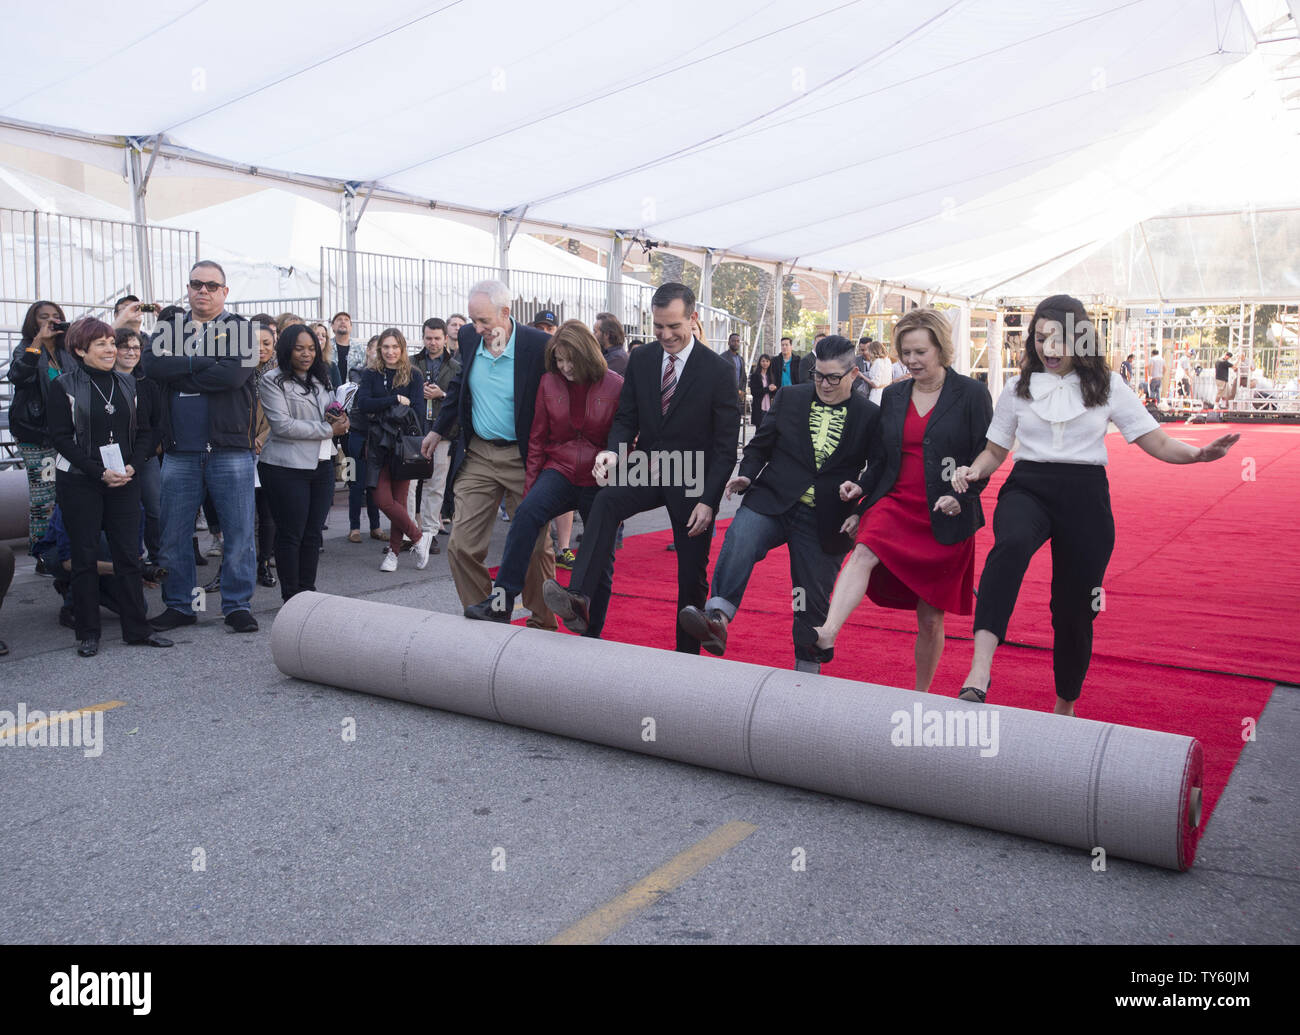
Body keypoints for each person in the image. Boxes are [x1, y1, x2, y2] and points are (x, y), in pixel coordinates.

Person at [950, 295, 1240, 715]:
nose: (1048, 349)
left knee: (1074, 608)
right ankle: (979, 670)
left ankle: (1065, 703)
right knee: (1009, 546)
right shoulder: (1017, 387)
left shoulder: (1109, 385)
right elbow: (995, 452)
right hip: (1027, 486)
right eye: (1040, 338)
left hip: (1085, 496)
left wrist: (1198, 454)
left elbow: (1154, 440)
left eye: (1058, 340)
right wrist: (973, 471)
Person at [543, 282, 740, 653]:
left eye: (674, 326)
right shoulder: (644, 359)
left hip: (692, 474)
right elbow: (626, 417)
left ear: (693, 319)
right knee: (606, 502)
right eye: (658, 326)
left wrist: (709, 501)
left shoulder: (717, 371)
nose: (665, 335)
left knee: (690, 571)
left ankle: (689, 656)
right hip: (648, 466)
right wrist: (615, 453)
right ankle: (578, 599)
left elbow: (726, 447)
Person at [808, 310, 994, 692]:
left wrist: (965, 496)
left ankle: (921, 694)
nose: (911, 360)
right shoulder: (893, 395)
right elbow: (880, 460)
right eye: (905, 352)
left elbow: (985, 457)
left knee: (929, 619)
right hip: (894, 501)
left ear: (942, 349)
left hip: (945, 511)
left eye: (920, 352)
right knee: (862, 552)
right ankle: (826, 633)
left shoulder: (972, 394)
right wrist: (860, 494)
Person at [680, 335, 880, 672]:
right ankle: (717, 617)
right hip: (773, 498)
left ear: (854, 374)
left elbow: (879, 468)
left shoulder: (870, 415)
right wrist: (746, 474)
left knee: (807, 600)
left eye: (833, 377)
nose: (824, 384)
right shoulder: (790, 396)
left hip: (827, 516)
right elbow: (759, 446)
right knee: (741, 537)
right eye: (818, 375)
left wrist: (860, 502)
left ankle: (806, 674)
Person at [464, 321, 622, 628]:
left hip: (598, 478)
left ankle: (593, 630)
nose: (564, 367)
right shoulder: (549, 382)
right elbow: (537, 439)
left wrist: (617, 483)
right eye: (558, 360)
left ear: (586, 354)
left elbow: (626, 439)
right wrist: (531, 492)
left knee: (602, 554)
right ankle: (501, 604)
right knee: (525, 516)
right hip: (559, 470)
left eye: (569, 360)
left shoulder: (615, 384)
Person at [420, 281, 557, 628]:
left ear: (505, 313)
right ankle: (490, 616)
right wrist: (438, 429)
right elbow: (459, 386)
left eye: (483, 320)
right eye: (472, 319)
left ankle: (543, 622)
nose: (476, 328)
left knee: (536, 549)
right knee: (461, 546)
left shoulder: (538, 346)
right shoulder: (468, 337)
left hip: (524, 459)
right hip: (480, 454)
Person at [144, 259, 260, 634]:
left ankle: (236, 605)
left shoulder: (240, 329)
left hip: (230, 450)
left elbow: (232, 375)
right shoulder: (170, 326)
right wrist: (204, 361)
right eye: (196, 284)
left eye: (212, 285)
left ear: (225, 292)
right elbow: (154, 367)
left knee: (239, 533)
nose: (203, 291)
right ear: (188, 288)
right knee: (174, 533)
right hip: (180, 452)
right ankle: (181, 605)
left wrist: (183, 367)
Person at [45, 318, 172, 655]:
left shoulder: (130, 384)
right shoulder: (63, 385)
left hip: (125, 478)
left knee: (129, 555)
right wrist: (97, 471)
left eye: (111, 342)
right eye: (100, 343)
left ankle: (137, 629)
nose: (110, 349)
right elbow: (59, 437)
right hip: (79, 480)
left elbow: (149, 430)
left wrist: (133, 463)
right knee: (84, 557)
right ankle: (88, 633)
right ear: (80, 349)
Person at [258, 325, 349, 600]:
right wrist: (328, 430)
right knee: (291, 533)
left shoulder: (321, 379)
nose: (307, 354)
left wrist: (342, 421)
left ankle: (308, 592)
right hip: (285, 467)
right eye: (299, 348)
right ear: (287, 349)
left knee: (312, 535)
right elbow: (283, 425)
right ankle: (291, 596)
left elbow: (332, 413)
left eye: (311, 348)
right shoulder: (272, 380)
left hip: (321, 464)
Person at [354, 329, 432, 571]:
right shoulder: (371, 374)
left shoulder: (414, 375)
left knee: (398, 500)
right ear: (380, 350)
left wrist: (386, 411)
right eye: (385, 347)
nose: (390, 352)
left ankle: (393, 555)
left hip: (402, 447)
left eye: (395, 347)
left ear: (402, 348)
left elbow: (417, 412)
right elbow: (364, 403)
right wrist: (394, 400)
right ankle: (419, 537)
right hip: (377, 445)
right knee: (382, 500)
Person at [6, 300, 72, 561]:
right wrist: (37, 341)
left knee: (65, 493)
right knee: (44, 496)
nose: (50, 320)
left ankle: (61, 548)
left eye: (55, 316)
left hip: (65, 433)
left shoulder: (67, 350)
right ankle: (43, 552)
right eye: (44, 316)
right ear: (33, 321)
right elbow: (18, 376)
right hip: (36, 433)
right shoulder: (26, 347)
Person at [113, 328, 163, 568]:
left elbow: (156, 423)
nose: (131, 352)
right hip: (115, 460)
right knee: (126, 513)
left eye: (135, 348)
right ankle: (132, 560)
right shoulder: (103, 382)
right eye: (125, 347)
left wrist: (146, 451)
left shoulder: (148, 384)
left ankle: (158, 556)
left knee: (155, 508)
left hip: (146, 458)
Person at [408, 317, 459, 540]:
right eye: (428, 338)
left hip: (443, 432)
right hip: (414, 431)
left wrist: (442, 394)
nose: (433, 343)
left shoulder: (456, 367)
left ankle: (429, 532)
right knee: (409, 484)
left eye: (437, 338)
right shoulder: (410, 363)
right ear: (423, 337)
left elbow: (460, 399)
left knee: (436, 484)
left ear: (445, 338)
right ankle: (409, 532)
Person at [345, 335, 383, 542]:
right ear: (368, 350)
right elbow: (364, 399)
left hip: (376, 437)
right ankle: (354, 527)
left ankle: (375, 527)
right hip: (355, 436)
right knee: (354, 482)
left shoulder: (384, 376)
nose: (380, 354)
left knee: (373, 484)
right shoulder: (356, 373)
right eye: (377, 349)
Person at [749, 353, 776, 428]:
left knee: (768, 429)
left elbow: (772, 392)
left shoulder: (771, 376)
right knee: (759, 430)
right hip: (759, 407)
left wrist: (774, 389)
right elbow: (754, 392)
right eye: (763, 361)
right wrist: (767, 389)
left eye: (767, 361)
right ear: (760, 362)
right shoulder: (755, 376)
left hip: (769, 407)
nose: (765, 363)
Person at [865, 339, 892, 406]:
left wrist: (861, 376)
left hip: (877, 395)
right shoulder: (888, 360)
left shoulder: (877, 362)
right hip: (887, 392)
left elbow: (875, 384)